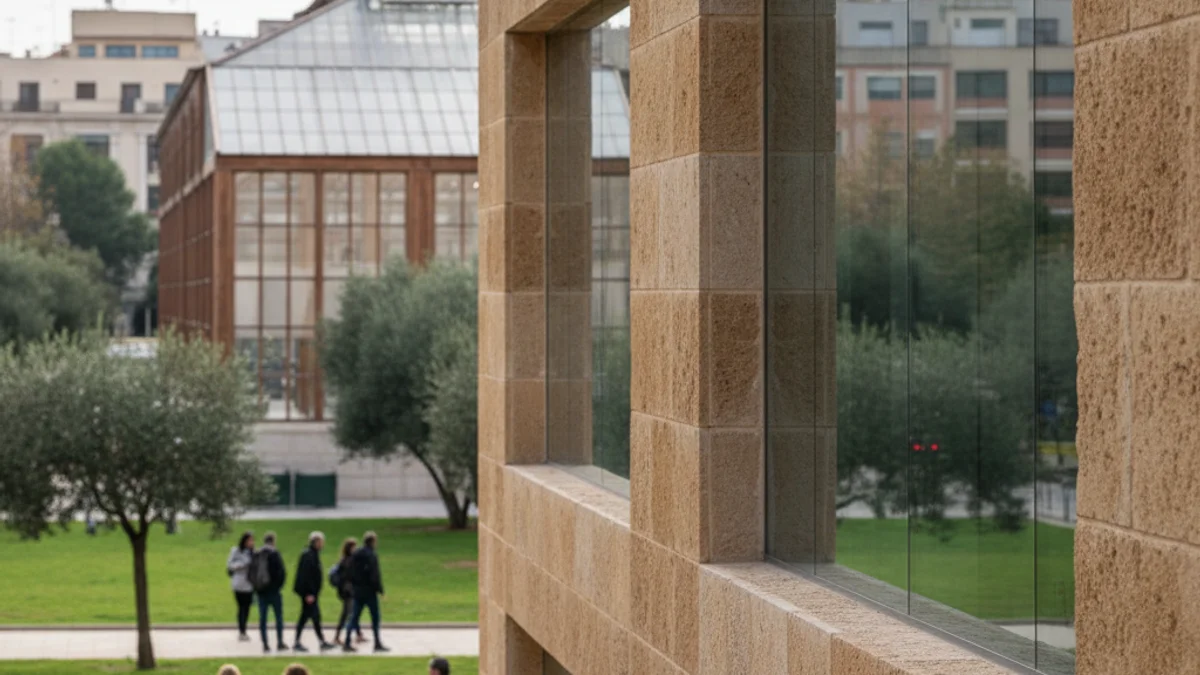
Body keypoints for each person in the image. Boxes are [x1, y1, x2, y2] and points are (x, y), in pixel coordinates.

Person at [342, 530, 389, 653]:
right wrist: (380, 590)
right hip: (369, 592)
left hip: (358, 591)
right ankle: (377, 642)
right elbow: (375, 574)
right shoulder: (371, 555)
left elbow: (349, 571)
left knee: (354, 617)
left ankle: (347, 642)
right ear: (373, 542)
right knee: (375, 617)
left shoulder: (356, 554)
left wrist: (354, 584)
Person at [292, 531, 335, 652]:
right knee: (309, 617)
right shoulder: (309, 556)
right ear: (316, 542)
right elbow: (305, 576)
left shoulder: (312, 554)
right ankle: (298, 642)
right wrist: (308, 594)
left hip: (312, 594)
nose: (322, 545)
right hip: (309, 594)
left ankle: (320, 641)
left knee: (312, 617)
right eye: (321, 542)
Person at [255, 531, 288, 653]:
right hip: (274, 591)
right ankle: (279, 642)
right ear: (273, 541)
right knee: (278, 617)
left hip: (261, 591)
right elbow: (282, 573)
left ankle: (265, 644)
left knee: (263, 618)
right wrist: (278, 586)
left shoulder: (257, 554)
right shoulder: (275, 553)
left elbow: (252, 573)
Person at [331, 538, 366, 646]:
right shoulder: (348, 561)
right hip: (348, 591)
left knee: (352, 612)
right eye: (353, 547)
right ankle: (337, 637)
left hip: (348, 590)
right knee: (347, 613)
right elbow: (348, 577)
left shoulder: (346, 560)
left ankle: (358, 634)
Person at [226, 531, 255, 642]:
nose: (251, 543)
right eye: (249, 540)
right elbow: (230, 565)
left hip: (249, 585)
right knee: (241, 607)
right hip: (239, 584)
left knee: (247, 609)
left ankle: (244, 630)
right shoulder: (236, 551)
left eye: (252, 540)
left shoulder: (253, 553)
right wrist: (241, 565)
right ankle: (242, 631)